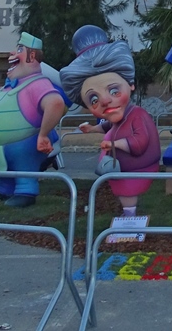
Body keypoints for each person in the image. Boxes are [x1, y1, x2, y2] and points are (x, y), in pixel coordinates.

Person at [60, 25, 161, 216]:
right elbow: (108, 126)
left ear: (130, 84)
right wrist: (92, 129)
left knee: (128, 192)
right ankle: (128, 213)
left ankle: (130, 216)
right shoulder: (119, 117)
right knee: (124, 192)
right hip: (120, 170)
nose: (105, 101)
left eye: (114, 91)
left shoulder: (138, 115)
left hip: (138, 169)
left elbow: (140, 143)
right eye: (94, 99)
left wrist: (115, 144)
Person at [0, 33, 67, 207]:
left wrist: (43, 135)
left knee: (21, 155)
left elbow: (55, 103)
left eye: (19, 49)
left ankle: (26, 190)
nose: (12, 53)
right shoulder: (11, 86)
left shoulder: (37, 83)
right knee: (8, 161)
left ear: (32, 56)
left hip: (28, 140)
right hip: (2, 144)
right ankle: (3, 188)